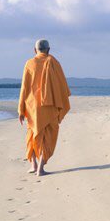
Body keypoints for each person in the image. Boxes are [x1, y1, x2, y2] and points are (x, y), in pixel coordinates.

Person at [18, 39, 71, 176]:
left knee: (33, 134)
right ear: (49, 49)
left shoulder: (29, 63)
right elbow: (62, 86)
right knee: (48, 136)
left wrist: (20, 109)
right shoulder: (54, 63)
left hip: (32, 106)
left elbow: (24, 87)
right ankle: (40, 168)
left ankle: (33, 165)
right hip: (51, 106)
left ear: (34, 50)